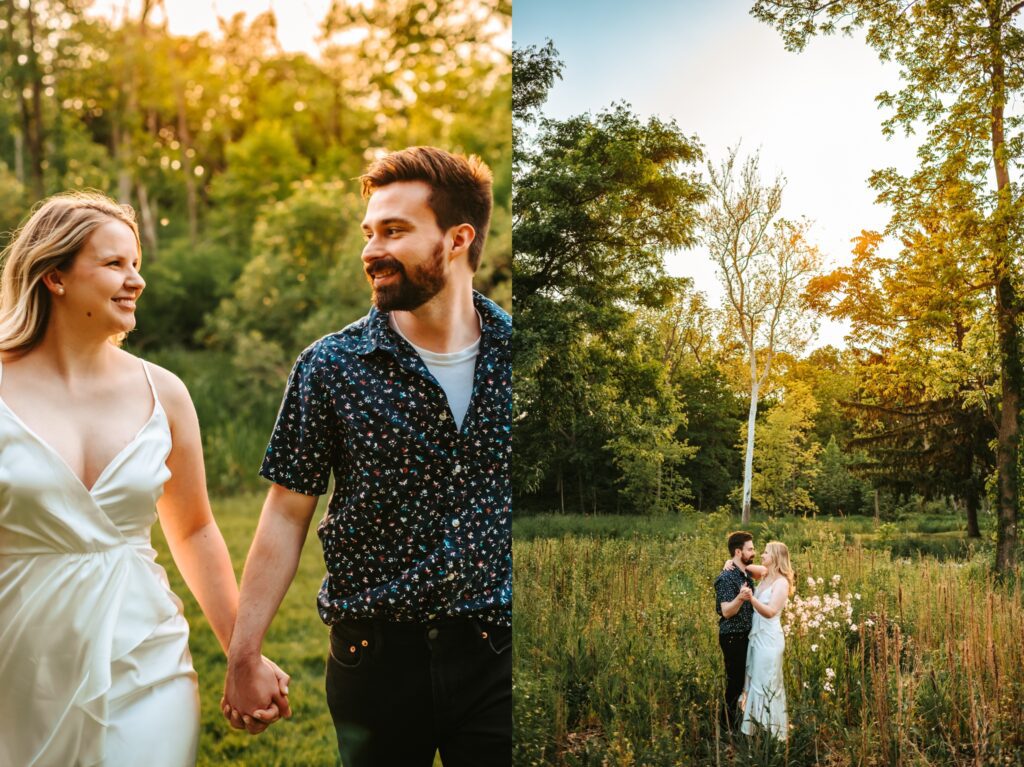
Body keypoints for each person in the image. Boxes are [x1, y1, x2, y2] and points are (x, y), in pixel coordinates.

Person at [221, 146, 512, 766]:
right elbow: (285, 512)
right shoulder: (330, 366)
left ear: (458, 239)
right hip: (374, 659)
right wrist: (244, 654)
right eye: (369, 232)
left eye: (395, 231)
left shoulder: (521, 356)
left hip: (498, 655)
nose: (371, 250)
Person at [0, 191, 288, 766]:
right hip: (19, 657)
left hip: (143, 652)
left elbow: (195, 529)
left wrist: (242, 656)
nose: (136, 281)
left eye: (137, 264)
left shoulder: (165, 393)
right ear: (54, 277)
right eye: (114, 264)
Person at [740, 540, 792, 740]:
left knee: (768, 683)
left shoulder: (781, 582)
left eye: (766, 553)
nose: (762, 555)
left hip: (770, 641)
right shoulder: (764, 574)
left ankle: (774, 732)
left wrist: (751, 598)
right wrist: (731, 562)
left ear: (776, 558)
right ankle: (754, 730)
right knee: (755, 681)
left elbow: (770, 612)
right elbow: (745, 566)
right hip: (758, 638)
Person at [713, 530, 757, 732]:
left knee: (744, 681)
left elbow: (769, 569)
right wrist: (740, 598)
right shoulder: (726, 578)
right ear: (738, 552)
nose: (753, 552)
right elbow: (726, 612)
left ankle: (740, 721)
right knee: (735, 682)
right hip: (732, 636)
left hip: (746, 635)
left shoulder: (746, 573)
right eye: (750, 549)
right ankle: (727, 727)